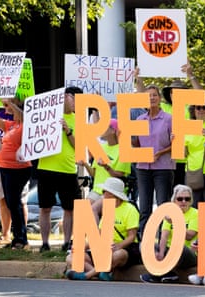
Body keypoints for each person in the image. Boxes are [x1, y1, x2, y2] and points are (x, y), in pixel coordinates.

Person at [65, 177, 140, 281]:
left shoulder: (130, 209)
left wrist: (118, 246)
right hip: (104, 249)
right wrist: (83, 247)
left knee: (118, 255)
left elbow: (132, 236)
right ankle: (99, 273)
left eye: (104, 191)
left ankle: (87, 275)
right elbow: (99, 235)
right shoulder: (107, 208)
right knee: (71, 257)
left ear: (112, 194)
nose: (102, 194)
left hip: (124, 249)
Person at [37, 86, 83, 252]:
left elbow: (78, 146)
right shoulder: (46, 114)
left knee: (69, 209)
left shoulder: (79, 119)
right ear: (66, 97)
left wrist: (68, 131)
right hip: (46, 167)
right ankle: (44, 243)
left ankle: (66, 242)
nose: (75, 103)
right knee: (45, 208)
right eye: (74, 99)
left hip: (68, 169)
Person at [133, 84, 174, 234]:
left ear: (160, 98)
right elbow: (136, 144)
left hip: (163, 167)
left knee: (163, 206)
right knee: (144, 207)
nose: (152, 98)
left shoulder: (169, 119)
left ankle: (163, 239)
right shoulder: (139, 119)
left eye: (154, 95)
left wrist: (160, 153)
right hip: (143, 168)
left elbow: (176, 144)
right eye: (149, 95)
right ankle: (144, 242)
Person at [140, 184, 198, 283]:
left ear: (191, 200)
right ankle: (167, 274)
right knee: (144, 245)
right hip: (169, 251)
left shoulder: (196, 213)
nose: (183, 202)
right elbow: (164, 236)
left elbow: (189, 236)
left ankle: (156, 274)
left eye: (187, 199)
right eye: (180, 199)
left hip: (188, 253)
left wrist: (174, 222)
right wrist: (161, 253)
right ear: (174, 200)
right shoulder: (170, 213)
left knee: (179, 248)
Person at [0, 98, 32, 249]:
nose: (6, 108)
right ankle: (18, 237)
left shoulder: (25, 124)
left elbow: (23, 117)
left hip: (17, 169)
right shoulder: (11, 125)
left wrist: (10, 103)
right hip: (4, 168)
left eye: (8, 106)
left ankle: (21, 239)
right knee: (11, 203)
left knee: (14, 203)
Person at [78, 119, 131, 203]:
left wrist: (106, 166)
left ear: (113, 130)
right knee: (84, 210)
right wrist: (85, 164)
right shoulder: (101, 147)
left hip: (113, 192)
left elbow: (120, 176)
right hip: (97, 190)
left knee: (94, 209)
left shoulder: (124, 150)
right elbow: (94, 175)